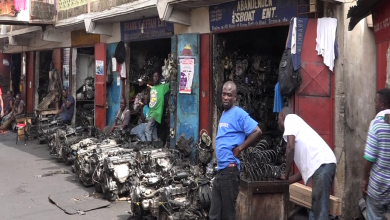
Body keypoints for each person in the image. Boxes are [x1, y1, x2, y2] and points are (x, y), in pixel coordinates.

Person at [209, 81, 262, 220]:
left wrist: (240, 148)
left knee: (228, 215)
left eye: (229, 95)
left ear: (235, 97)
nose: (226, 97)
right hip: (221, 171)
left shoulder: (238, 113)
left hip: (230, 171)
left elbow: (257, 131)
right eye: (224, 94)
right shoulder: (225, 113)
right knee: (214, 214)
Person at [278, 107, 337, 220]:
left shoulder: (290, 118)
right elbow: (304, 171)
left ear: (283, 116)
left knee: (320, 211)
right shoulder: (299, 130)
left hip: (323, 165)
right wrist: (288, 181)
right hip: (323, 165)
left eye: (278, 120)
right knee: (315, 210)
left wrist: (286, 174)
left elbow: (290, 148)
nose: (278, 123)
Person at [362, 88, 390, 220]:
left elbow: (369, 157)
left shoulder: (377, 124)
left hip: (378, 185)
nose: (375, 104)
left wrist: (364, 179)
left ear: (382, 104)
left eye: (376, 102)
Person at [145, 72, 170, 142]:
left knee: (148, 129)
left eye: (157, 76)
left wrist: (172, 74)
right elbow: (150, 102)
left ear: (159, 78)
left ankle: (149, 144)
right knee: (153, 130)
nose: (155, 78)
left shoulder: (162, 87)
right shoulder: (152, 88)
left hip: (156, 113)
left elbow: (170, 84)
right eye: (154, 76)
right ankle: (156, 144)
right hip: (151, 112)